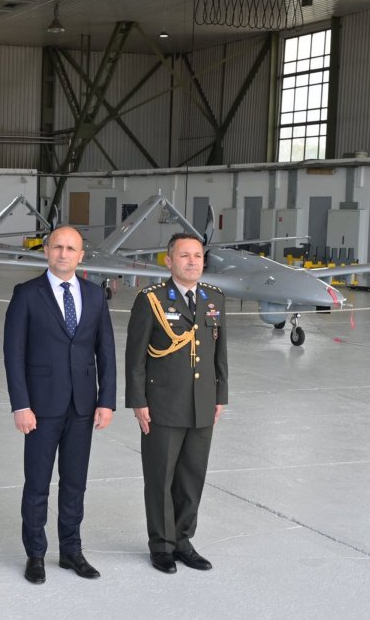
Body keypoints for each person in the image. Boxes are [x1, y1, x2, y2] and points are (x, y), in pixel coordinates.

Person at [4, 226, 116, 585]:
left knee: (74, 483)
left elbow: (106, 353)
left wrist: (107, 401)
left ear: (81, 255)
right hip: (40, 406)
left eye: (71, 248)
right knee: (37, 484)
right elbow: (13, 354)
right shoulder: (26, 294)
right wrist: (20, 404)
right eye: (57, 247)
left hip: (83, 406)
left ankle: (71, 550)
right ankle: (35, 553)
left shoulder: (96, 296)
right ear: (46, 251)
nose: (63, 254)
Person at [125, 232, 228, 574]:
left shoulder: (214, 299)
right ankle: (162, 546)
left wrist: (220, 396)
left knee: (191, 477)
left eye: (197, 256)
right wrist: (138, 401)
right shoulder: (151, 299)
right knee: (160, 477)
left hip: (202, 404)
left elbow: (219, 354)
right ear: (168, 261)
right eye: (184, 256)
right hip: (163, 405)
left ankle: (183, 540)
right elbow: (135, 356)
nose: (192, 261)